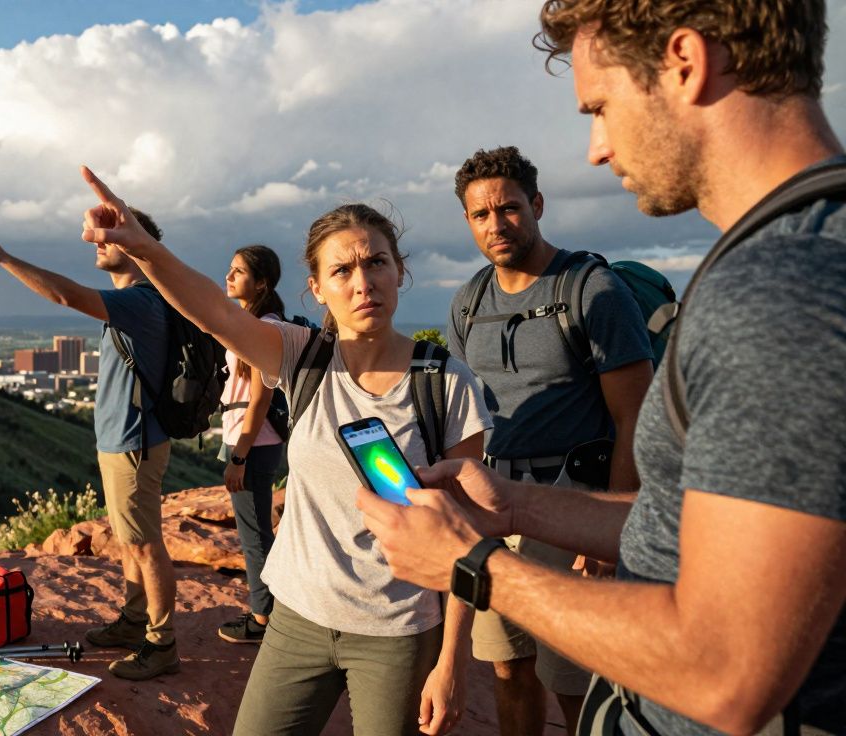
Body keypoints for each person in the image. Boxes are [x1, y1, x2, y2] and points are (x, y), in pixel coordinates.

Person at [358, 1, 846, 733]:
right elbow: (697, 523)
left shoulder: (781, 290)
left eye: (601, 106)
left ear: (685, 61)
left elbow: (724, 673)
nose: (597, 147)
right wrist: (516, 506)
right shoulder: (803, 249)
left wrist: (475, 565)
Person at [76, 166, 493, 735]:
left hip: (397, 629)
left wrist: (452, 662)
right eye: (342, 269)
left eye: (376, 263)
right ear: (318, 288)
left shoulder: (446, 383)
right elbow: (213, 310)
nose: (363, 281)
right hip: (297, 617)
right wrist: (143, 247)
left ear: (400, 271)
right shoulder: (304, 356)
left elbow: (467, 538)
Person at [449, 145, 654, 733]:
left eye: (509, 208)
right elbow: (464, 418)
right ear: (467, 221)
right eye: (480, 215)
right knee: (509, 667)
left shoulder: (592, 289)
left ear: (536, 205)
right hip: (495, 503)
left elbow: (633, 419)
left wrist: (609, 536)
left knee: (576, 681)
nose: (496, 224)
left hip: (574, 501)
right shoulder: (470, 301)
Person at [0, 211, 182, 681]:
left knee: (145, 545)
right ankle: (133, 620)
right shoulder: (134, 299)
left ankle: (162, 643)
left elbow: (65, 294)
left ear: (136, 245)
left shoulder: (142, 300)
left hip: (134, 441)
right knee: (129, 541)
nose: (96, 245)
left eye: (108, 238)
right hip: (121, 439)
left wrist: (2, 258)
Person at [217, 244, 287, 645]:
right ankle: (273, 608)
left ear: (260, 283)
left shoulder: (265, 327)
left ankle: (262, 619)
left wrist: (239, 456)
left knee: (254, 532)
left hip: (253, 441)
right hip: (251, 438)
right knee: (258, 528)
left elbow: (260, 399)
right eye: (230, 268)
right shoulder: (251, 320)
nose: (229, 276)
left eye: (238, 271)